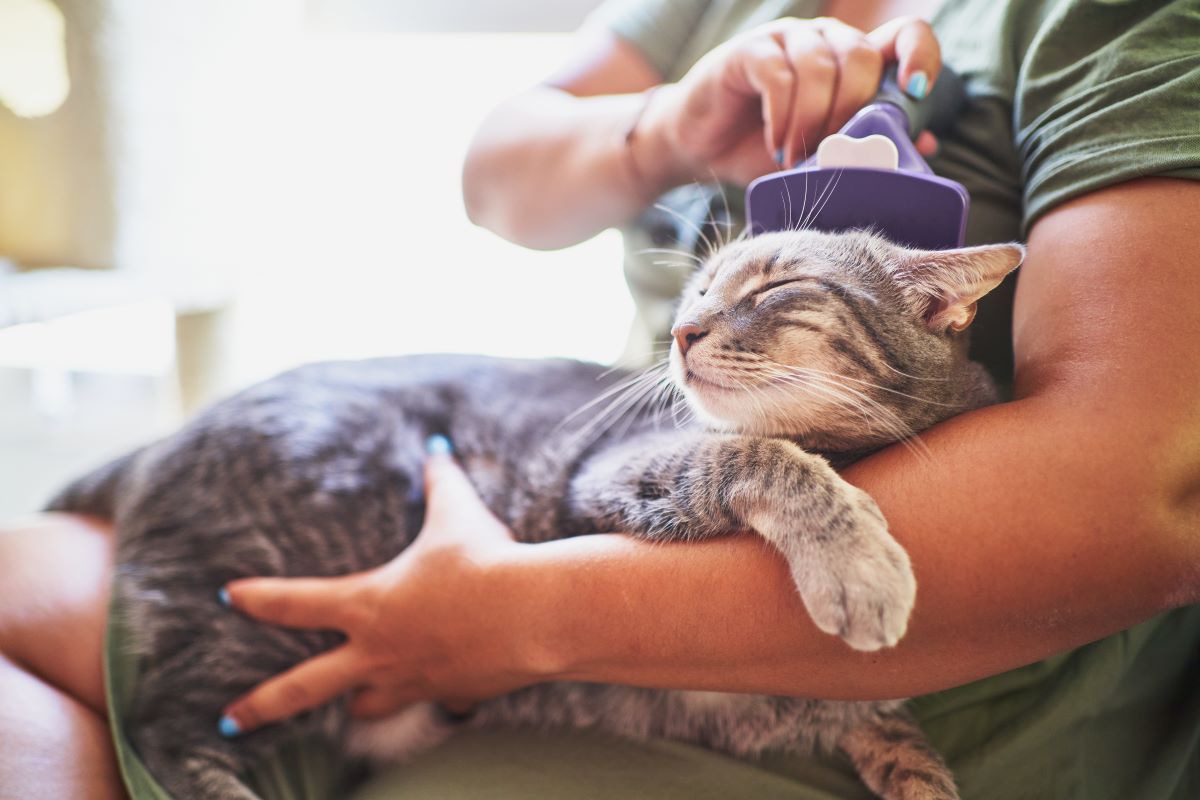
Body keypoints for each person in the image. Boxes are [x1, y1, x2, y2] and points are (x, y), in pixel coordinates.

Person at [2, 1, 1198, 798]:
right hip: (567, 524)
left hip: (786, 665)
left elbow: (1154, 490)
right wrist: (666, 127)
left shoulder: (1106, 22)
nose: (692, 325)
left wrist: (513, 616)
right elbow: (498, 172)